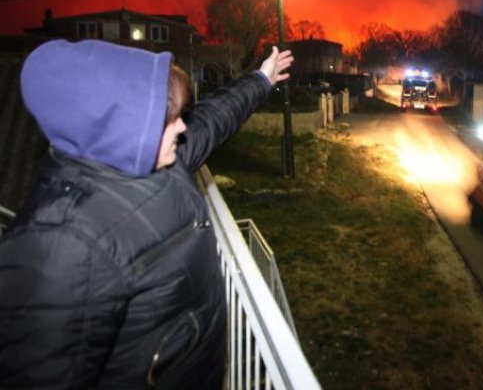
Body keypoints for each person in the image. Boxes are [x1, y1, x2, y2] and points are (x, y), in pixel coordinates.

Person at [0, 39, 292, 388]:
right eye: (168, 119)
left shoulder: (159, 158)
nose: (181, 128)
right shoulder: (61, 244)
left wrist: (261, 78)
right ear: (121, 126)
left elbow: (212, 118)